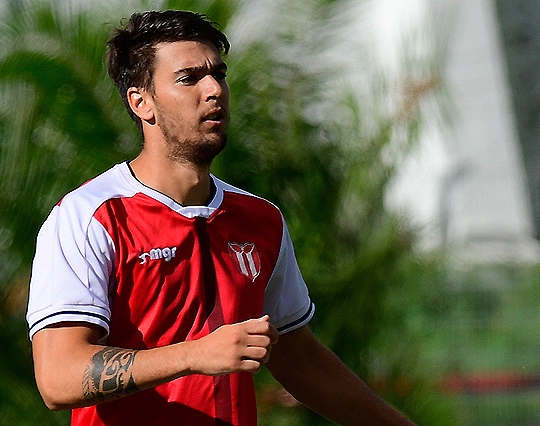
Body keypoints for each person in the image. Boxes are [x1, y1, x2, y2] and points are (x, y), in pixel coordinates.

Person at [26, 9, 419, 426]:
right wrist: (194, 355)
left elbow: (300, 358)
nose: (214, 89)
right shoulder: (89, 216)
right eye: (189, 78)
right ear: (141, 102)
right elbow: (58, 377)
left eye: (219, 74)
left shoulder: (261, 219)